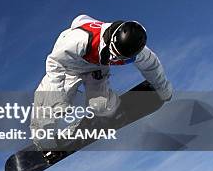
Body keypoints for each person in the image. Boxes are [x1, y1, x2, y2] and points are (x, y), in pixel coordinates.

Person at [31, 14, 173, 153]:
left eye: (124, 59)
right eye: (113, 54)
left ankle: (101, 114)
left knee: (101, 107)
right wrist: (58, 101)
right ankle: (43, 141)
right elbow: (54, 64)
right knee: (47, 105)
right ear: (111, 41)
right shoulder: (79, 40)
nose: (114, 59)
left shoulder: (138, 51)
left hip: (96, 68)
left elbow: (152, 67)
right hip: (69, 67)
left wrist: (163, 88)